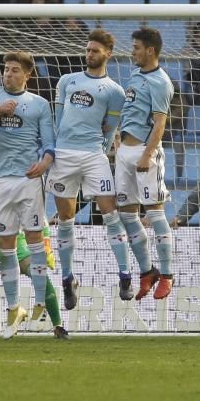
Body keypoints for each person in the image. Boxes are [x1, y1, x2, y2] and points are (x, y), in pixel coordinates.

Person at [45, 30, 134, 309]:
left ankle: (125, 275)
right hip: (65, 155)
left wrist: (102, 148)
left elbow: (111, 129)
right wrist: (58, 147)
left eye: (95, 50)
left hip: (95, 155)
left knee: (111, 214)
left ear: (108, 53)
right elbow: (58, 118)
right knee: (65, 220)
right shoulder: (67, 81)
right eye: (87, 50)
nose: (89, 54)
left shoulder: (115, 92)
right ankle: (68, 278)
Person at [0, 51, 55, 338]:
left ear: (27, 75)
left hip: (28, 180)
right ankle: (14, 308)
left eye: (14, 70)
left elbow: (49, 144)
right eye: (6, 69)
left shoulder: (39, 105)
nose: (8, 74)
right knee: (4, 244)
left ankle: (41, 304)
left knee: (34, 240)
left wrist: (45, 162)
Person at [116, 27, 175, 301]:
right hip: (124, 153)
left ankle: (167, 274)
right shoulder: (135, 75)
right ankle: (147, 271)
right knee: (127, 217)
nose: (133, 52)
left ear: (150, 50)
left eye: (137, 47)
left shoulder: (161, 82)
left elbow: (160, 122)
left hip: (144, 153)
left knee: (154, 214)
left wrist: (146, 155)